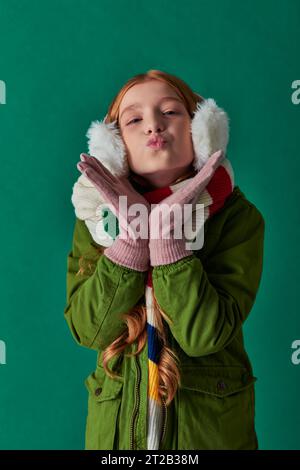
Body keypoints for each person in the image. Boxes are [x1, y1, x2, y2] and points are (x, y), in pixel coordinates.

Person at [63, 69, 265, 451]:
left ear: (201, 133)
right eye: (134, 119)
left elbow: (204, 335)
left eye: (170, 112)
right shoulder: (95, 222)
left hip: (210, 434)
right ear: (115, 147)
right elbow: (91, 330)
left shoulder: (238, 219)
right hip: (120, 439)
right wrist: (131, 242)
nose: (153, 125)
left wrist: (169, 246)